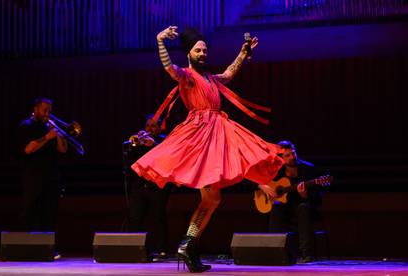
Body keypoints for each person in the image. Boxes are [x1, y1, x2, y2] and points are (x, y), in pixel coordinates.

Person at [132, 26, 284, 273]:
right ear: (189, 54)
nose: (202, 53)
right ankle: (188, 244)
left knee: (212, 198)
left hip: (217, 130)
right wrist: (160, 41)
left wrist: (243, 53)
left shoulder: (211, 79)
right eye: (197, 50)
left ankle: (188, 244)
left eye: (204, 50)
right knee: (212, 197)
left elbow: (229, 74)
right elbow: (169, 68)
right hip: (202, 137)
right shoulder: (187, 76)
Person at [265, 140, 323, 264]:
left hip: (304, 209)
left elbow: (318, 198)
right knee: (276, 207)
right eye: (288, 155)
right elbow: (257, 181)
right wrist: (263, 187)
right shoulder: (276, 171)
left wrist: (305, 195)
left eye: (293, 153)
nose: (292, 157)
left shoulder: (308, 169)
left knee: (303, 207)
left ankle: (306, 254)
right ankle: (274, 252)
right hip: (286, 210)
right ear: (280, 158)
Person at [122, 114, 170, 260]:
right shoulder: (139, 142)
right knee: (135, 218)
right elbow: (130, 162)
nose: (149, 128)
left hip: (157, 186)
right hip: (139, 185)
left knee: (158, 218)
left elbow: (168, 158)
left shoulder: (164, 140)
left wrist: (154, 145)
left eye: (153, 126)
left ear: (160, 128)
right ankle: (136, 249)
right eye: (147, 125)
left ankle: (161, 250)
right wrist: (133, 146)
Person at [17, 98, 67, 235]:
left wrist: (58, 136)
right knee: (30, 212)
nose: (48, 113)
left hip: (51, 177)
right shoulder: (26, 125)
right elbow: (28, 149)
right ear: (36, 109)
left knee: (50, 214)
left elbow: (63, 150)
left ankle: (48, 247)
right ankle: (25, 246)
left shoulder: (48, 127)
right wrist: (47, 137)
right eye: (45, 110)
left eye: (49, 111)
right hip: (33, 177)